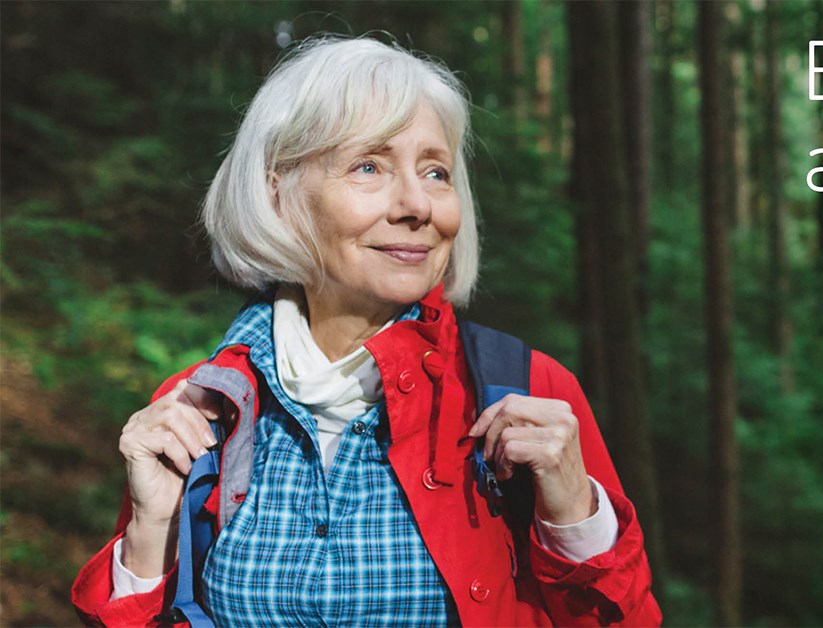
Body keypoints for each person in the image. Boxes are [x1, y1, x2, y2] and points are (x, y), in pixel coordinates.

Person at [72, 36, 661, 627]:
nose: (417, 204)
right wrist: (150, 532)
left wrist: (577, 522)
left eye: (436, 171)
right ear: (279, 193)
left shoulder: (527, 391)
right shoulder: (201, 409)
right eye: (369, 166)